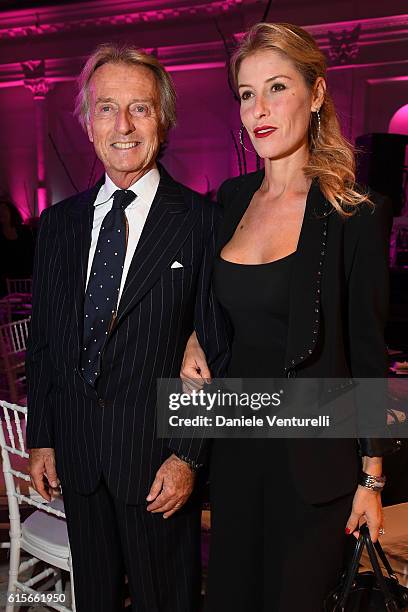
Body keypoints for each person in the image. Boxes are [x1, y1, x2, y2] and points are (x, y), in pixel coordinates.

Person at [181, 23, 399, 611]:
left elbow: (368, 353)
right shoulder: (229, 199)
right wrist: (195, 337)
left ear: (318, 93)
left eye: (277, 88)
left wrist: (372, 479)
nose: (259, 110)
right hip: (236, 453)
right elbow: (214, 300)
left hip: (313, 465)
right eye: (247, 94)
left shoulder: (356, 213)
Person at [26, 44, 227, 612]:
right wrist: (42, 437)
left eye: (139, 108)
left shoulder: (202, 223)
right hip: (77, 459)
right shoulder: (59, 225)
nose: (123, 125)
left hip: (156, 464)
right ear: (88, 123)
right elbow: (45, 343)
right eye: (107, 108)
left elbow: (218, 349)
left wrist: (187, 456)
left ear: (162, 119)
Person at [0, 197, 35, 297]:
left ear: (11, 212)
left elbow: (31, 253)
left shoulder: (24, 232)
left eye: (4, 209)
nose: (1, 212)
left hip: (25, 279)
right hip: (5, 282)